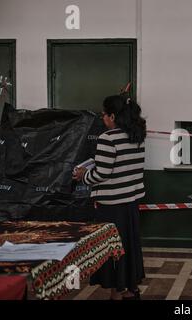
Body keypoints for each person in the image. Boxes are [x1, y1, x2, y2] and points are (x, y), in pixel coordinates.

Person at [73, 94, 147, 300]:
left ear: (113, 116)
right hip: (131, 202)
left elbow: (102, 174)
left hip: (112, 206)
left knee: (114, 250)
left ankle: (117, 292)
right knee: (129, 246)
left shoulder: (108, 138)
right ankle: (131, 289)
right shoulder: (137, 135)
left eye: (104, 114)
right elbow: (124, 167)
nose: (102, 118)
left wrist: (83, 176)